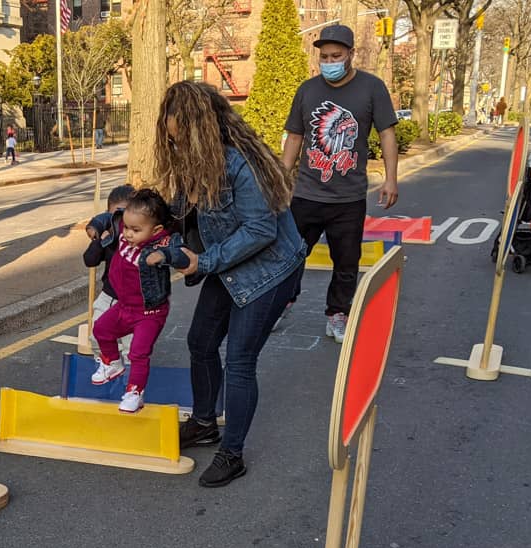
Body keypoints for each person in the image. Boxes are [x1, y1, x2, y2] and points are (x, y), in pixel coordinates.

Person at [146, 81, 305, 487]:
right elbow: (188, 219)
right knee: (200, 341)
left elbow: (260, 229)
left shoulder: (239, 164)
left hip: (271, 270)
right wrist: (168, 246)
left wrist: (206, 260)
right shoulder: (194, 163)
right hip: (230, 265)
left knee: (239, 360)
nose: (170, 133)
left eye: (175, 126)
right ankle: (204, 422)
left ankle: (232, 454)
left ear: (196, 125)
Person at [281, 24, 398, 342]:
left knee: (346, 262)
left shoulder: (372, 88)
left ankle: (337, 314)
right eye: (324, 56)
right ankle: (282, 302)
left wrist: (390, 178)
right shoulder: (307, 90)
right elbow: (295, 136)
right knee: (291, 254)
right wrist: (280, 177)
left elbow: (387, 133)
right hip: (306, 193)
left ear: (350, 54)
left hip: (348, 197)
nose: (329, 61)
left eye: (336, 55)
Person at [91, 189, 179, 414]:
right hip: (124, 306)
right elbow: (109, 217)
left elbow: (180, 253)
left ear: (155, 230)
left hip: (149, 313)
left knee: (138, 352)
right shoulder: (124, 226)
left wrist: (164, 256)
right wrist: (95, 225)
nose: (127, 234)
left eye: (136, 230)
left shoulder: (161, 243)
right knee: (100, 329)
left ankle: (134, 392)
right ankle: (113, 364)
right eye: (127, 228)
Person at [83, 183, 136, 361]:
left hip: (133, 302)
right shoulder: (108, 236)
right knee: (97, 337)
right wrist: (99, 241)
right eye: (116, 216)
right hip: (109, 296)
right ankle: (107, 366)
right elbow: (89, 260)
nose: (121, 223)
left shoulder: (139, 238)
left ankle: (132, 381)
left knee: (132, 349)